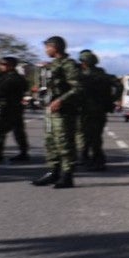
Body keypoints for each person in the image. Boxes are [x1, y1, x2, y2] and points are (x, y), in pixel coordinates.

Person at [32, 35, 83, 189]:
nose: (46, 50)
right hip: (50, 110)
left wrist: (61, 100)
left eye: (48, 47)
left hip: (64, 111)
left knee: (64, 142)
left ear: (55, 47)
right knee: (50, 142)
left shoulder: (69, 65)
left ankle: (67, 175)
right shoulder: (52, 65)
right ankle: (53, 172)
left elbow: (78, 87)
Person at [76, 49, 120, 170]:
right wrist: (113, 99)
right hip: (100, 110)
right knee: (94, 135)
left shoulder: (83, 76)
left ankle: (97, 161)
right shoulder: (104, 75)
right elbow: (118, 84)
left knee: (88, 135)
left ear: (85, 62)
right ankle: (88, 158)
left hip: (87, 110)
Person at [0, 56, 31, 164]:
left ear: (9, 66)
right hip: (15, 106)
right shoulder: (17, 77)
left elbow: (0, 91)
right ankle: (23, 152)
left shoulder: (10, 78)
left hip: (9, 107)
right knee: (18, 130)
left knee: (0, 130)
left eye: (2, 64)